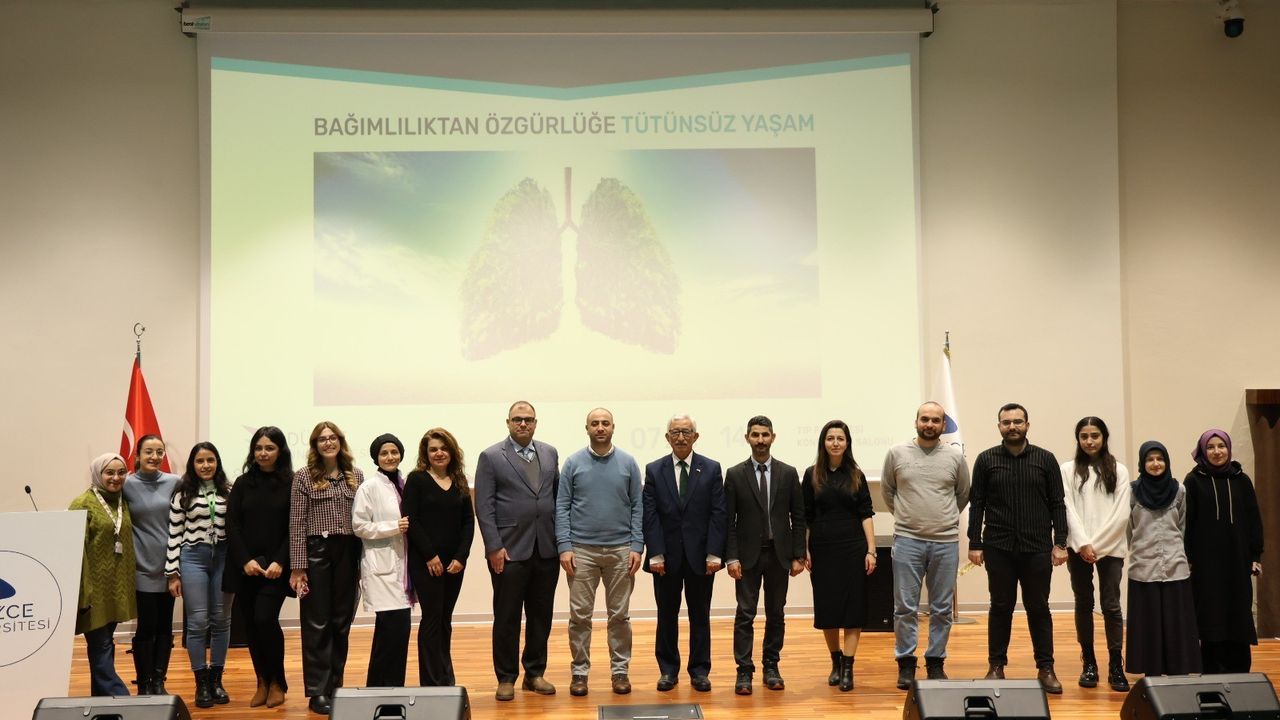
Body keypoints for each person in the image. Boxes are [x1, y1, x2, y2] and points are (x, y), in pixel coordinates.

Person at [967, 403, 1068, 694]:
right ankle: (996, 666)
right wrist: (975, 542)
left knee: (1039, 608)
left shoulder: (1045, 459)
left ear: (1027, 425)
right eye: (1006, 422)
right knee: (1001, 607)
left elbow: (1057, 503)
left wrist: (1060, 542)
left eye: (1017, 421)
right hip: (998, 547)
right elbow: (977, 504)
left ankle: (1046, 668)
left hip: (1037, 547)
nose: (1012, 426)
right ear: (999, 426)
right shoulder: (986, 460)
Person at [474, 401, 560, 701]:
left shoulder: (550, 453)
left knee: (541, 616)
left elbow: (556, 498)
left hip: (546, 548)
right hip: (509, 550)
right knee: (507, 616)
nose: (523, 424)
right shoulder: (491, 456)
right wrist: (493, 546)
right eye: (517, 419)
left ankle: (534, 673)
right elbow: (484, 506)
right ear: (508, 422)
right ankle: (506, 677)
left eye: (528, 419)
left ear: (536, 423)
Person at [881, 402, 970, 689]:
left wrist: (943, 519)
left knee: (942, 608)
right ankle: (906, 663)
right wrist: (907, 517)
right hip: (908, 541)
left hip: (945, 542)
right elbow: (888, 491)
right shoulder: (897, 453)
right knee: (905, 608)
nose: (929, 424)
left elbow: (962, 494)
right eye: (924, 419)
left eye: (935, 420)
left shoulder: (955, 457)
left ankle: (935, 662)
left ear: (943, 425)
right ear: (916, 421)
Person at [555, 408, 644, 697]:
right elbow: (562, 506)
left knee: (619, 616)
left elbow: (637, 506)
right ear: (587, 428)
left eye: (605, 423)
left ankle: (620, 672)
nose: (600, 428)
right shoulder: (573, 463)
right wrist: (564, 546)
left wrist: (636, 545)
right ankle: (579, 673)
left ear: (613, 427)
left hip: (621, 550)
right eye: (595, 423)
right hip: (581, 551)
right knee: (580, 616)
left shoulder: (628, 463)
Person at [644, 413, 727, 693]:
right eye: (675, 432)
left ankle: (700, 671)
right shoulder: (654, 470)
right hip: (665, 559)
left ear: (696, 436)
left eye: (686, 432)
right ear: (667, 437)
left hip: (701, 558)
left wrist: (714, 553)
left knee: (700, 616)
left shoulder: (711, 468)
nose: (681, 437)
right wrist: (655, 553)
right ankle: (668, 670)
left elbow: (718, 514)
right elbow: (650, 515)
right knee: (666, 616)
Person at [724, 415, 805, 695]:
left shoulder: (788, 473)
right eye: (755, 435)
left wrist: (799, 555)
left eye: (765, 435)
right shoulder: (735, 474)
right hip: (747, 557)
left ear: (773, 437)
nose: (760, 440)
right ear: (747, 438)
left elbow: (798, 517)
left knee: (776, 613)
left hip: (779, 556)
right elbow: (728, 521)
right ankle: (744, 670)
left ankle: (771, 666)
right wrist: (731, 557)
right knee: (745, 614)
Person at [289, 421, 364, 716]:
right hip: (317, 552)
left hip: (348, 550)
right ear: (315, 445)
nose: (328, 443)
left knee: (341, 622)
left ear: (340, 442)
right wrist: (298, 567)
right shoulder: (304, 476)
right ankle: (318, 690)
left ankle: (336, 685)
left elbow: (362, 520)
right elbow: (296, 523)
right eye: (322, 439)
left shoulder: (355, 475)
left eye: (333, 438)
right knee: (316, 623)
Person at [803, 419, 876, 692]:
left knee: (853, 608)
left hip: (853, 548)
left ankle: (848, 667)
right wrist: (804, 548)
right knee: (828, 608)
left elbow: (866, 514)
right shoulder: (811, 474)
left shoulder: (856, 474)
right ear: (823, 442)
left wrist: (871, 550)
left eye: (840, 438)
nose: (835, 443)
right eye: (830, 438)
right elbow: (806, 516)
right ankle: (835, 661)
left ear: (847, 443)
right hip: (822, 549)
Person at [224, 426, 293, 708]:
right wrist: (245, 560)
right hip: (246, 568)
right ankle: (261, 681)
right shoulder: (242, 483)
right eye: (258, 448)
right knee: (251, 626)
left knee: (265, 619)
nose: (263, 453)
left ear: (280, 451)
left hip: (276, 569)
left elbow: (294, 526)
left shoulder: (291, 483)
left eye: (269, 448)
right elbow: (232, 525)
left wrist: (280, 561)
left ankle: (277, 682)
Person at [1060, 416, 1130, 691]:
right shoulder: (1067, 470)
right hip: (1078, 548)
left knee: (1111, 605)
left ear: (1104, 438)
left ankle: (1115, 665)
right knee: (1084, 603)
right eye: (1084, 436)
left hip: (1110, 547)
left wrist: (1096, 545)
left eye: (1095, 435)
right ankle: (1089, 662)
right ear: (1078, 439)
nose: (1089, 441)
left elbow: (1121, 513)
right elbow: (1066, 507)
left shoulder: (1119, 470)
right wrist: (1082, 544)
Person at [1185, 429, 1264, 673]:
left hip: (1238, 562)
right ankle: (1212, 670)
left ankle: (1240, 671)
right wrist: (1188, 558)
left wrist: (1255, 556)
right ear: (1202, 451)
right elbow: (1187, 523)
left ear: (1228, 449)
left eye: (1221, 446)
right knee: (1211, 616)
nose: (1217, 451)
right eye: (1210, 447)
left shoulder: (1242, 480)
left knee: (1238, 614)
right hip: (1206, 565)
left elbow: (1254, 520)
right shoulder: (1193, 481)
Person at [404, 427, 475, 686]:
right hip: (426, 564)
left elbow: (468, 522)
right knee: (432, 619)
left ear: (452, 451)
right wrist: (430, 555)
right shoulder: (417, 480)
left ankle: (445, 677)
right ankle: (431, 682)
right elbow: (411, 520)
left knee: (445, 619)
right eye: (433, 449)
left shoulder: (459, 480)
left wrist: (461, 557)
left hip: (454, 564)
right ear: (426, 453)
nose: (439, 453)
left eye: (444, 448)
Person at [166, 442, 232, 708]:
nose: (206, 465)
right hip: (193, 557)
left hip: (224, 558)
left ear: (217, 462)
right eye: (200, 461)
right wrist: (172, 573)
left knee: (221, 620)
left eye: (210, 460)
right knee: (197, 622)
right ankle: (201, 683)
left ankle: (216, 680)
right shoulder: (182, 493)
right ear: (192, 464)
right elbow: (174, 533)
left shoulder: (229, 490)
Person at [1126, 441, 1200, 676]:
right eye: (1150, 459)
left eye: (1160, 459)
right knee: (1148, 624)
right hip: (1143, 566)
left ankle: (1178, 671)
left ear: (1167, 461)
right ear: (1142, 463)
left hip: (1175, 565)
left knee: (1176, 622)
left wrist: (1177, 551)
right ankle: (1152, 672)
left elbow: (1183, 525)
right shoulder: (1132, 491)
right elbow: (1128, 529)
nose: (1155, 464)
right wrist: (1138, 550)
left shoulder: (1179, 490)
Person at [70, 453, 137, 696]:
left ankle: (101, 701)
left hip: (116, 588)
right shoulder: (82, 504)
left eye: (121, 472)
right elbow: (73, 551)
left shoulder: (123, 501)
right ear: (98, 474)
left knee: (104, 645)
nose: (116, 477)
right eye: (109, 472)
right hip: (93, 591)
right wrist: (82, 593)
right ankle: (121, 699)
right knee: (101, 646)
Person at [352, 433, 413, 687]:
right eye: (384, 453)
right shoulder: (369, 487)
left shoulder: (404, 483)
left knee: (398, 633)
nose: (390, 457)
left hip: (402, 567)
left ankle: (392, 687)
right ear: (376, 457)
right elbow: (359, 526)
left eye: (394, 452)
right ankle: (379, 688)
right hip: (381, 568)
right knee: (390, 631)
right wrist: (393, 527)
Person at [122, 434, 180, 695]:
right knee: (146, 625)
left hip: (170, 568)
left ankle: (159, 681)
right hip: (141, 568)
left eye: (159, 452)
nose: (154, 457)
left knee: (165, 626)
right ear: (137, 455)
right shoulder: (126, 484)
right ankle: (144, 683)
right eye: (149, 452)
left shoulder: (174, 482)